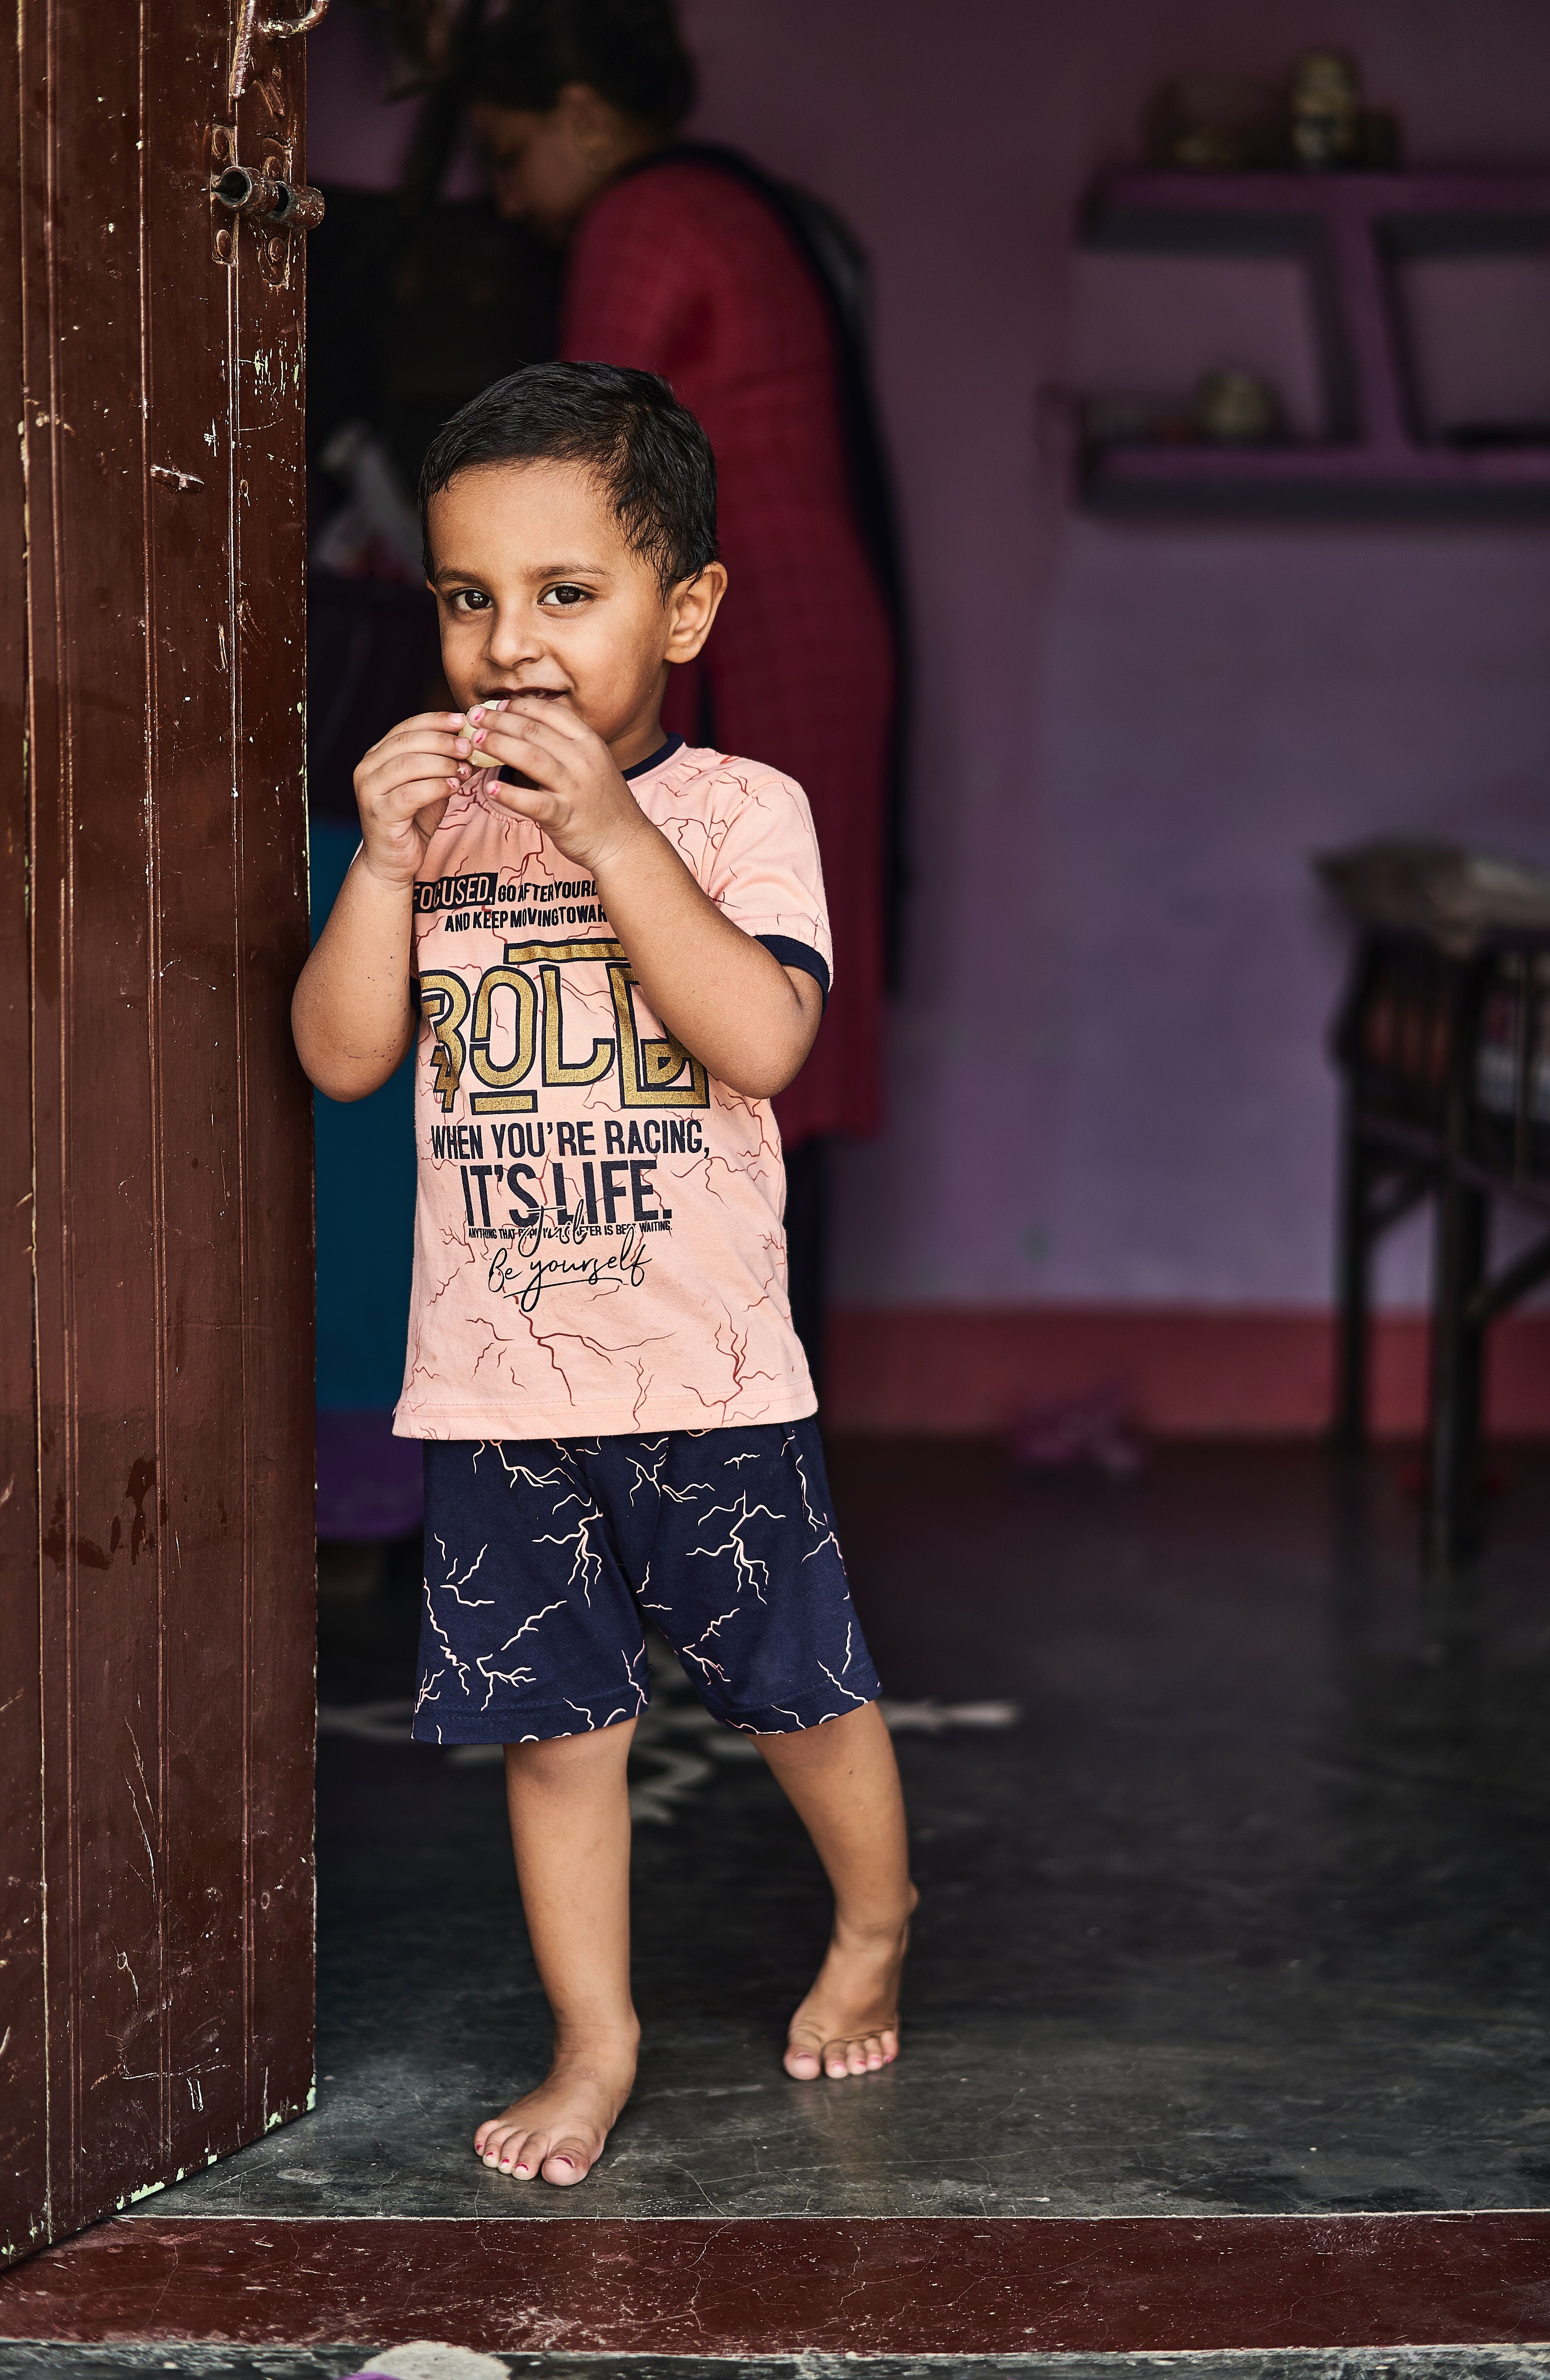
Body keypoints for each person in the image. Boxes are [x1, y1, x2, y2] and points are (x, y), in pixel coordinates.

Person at [292, 363, 915, 2188]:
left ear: (686, 610)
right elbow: (339, 1055)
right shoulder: (440, 830)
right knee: (554, 1735)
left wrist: (613, 835)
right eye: (469, 597)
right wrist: (382, 866)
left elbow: (766, 1038)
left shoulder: (737, 811)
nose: (510, 645)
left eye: (567, 594)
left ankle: (873, 1919)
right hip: (500, 1385)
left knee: (798, 1692)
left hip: (704, 1374)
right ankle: (595, 2038)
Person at [464, 0, 906, 1384]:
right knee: (769, 978)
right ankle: (764, 1384)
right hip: (804, 622)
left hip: (748, 636)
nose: (508, 201)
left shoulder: (645, 216)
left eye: (511, 155)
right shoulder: (735, 204)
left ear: (584, 115)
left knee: (720, 996)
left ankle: (719, 1383)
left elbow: (573, 477)